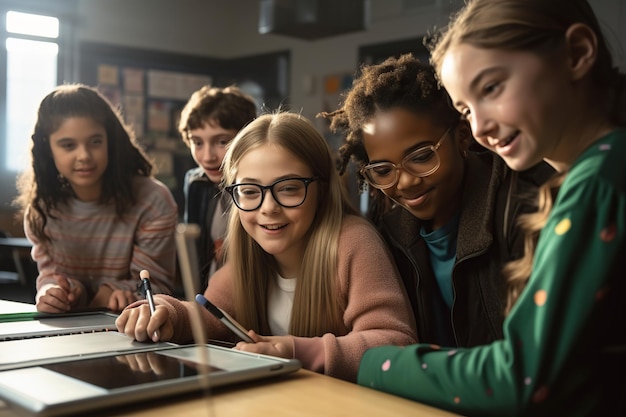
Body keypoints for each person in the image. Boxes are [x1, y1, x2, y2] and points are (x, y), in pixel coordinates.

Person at [357, 1, 626, 415]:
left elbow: (521, 378)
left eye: (492, 88)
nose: (479, 126)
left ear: (576, 53)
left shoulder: (600, 181)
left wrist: (371, 361)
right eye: (465, 108)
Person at [116, 112, 417, 382]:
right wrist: (168, 313)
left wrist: (299, 350)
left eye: (288, 188)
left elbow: (394, 343)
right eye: (249, 191)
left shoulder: (352, 242)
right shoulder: (250, 250)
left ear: (322, 189)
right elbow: (210, 316)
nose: (268, 208)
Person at [320, 53, 552, 348]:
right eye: (383, 170)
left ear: (463, 137)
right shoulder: (389, 235)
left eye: (421, 157)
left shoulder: (524, 210)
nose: (405, 182)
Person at [15, 84, 178, 314]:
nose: (84, 156)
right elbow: (51, 276)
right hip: (69, 334)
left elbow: (156, 286)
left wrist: (118, 293)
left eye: (95, 142)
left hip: (134, 329)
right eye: (68, 145)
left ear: (110, 141)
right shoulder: (43, 208)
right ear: (47, 149)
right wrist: (53, 293)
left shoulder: (152, 200)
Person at [177, 85, 257, 292]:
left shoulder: (259, 183)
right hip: (209, 291)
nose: (207, 156)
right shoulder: (196, 182)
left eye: (221, 141)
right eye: (197, 142)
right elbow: (196, 250)